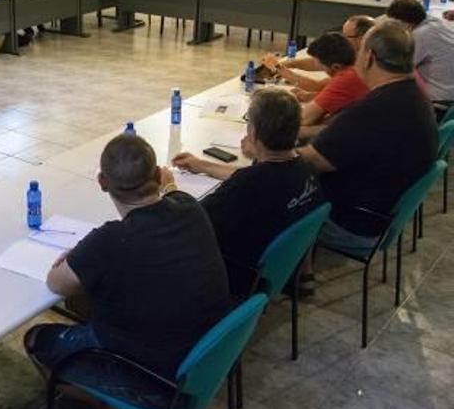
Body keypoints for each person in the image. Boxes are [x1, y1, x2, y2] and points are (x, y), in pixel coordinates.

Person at [24, 134, 230, 409]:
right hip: (205, 351)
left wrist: (79, 253)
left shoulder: (110, 240)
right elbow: (171, 194)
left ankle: (107, 401)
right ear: (158, 175)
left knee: (37, 338)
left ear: (102, 183)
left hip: (154, 378)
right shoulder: (190, 206)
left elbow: (56, 284)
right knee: (87, 298)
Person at [297, 21, 437, 253]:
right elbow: (348, 137)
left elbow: (310, 162)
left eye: (358, 50)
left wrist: (264, 150)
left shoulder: (374, 109)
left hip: (350, 224)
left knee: (267, 194)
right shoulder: (412, 95)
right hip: (381, 215)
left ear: (369, 56)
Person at [173, 88, 322, 295]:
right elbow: (262, 174)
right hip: (280, 267)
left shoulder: (249, 185)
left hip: (237, 276)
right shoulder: (306, 170)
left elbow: (190, 219)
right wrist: (202, 165)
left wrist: (169, 188)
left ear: (252, 132)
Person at [263, 15, 375, 93]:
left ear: (362, 39)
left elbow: (318, 86)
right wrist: (287, 64)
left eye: (346, 36)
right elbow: (319, 61)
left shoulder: (363, 65)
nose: (341, 39)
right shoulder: (358, 52)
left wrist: (279, 68)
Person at [385, 0, 454, 119]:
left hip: (440, 102)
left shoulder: (420, 35)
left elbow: (400, 67)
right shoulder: (436, 23)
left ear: (406, 22)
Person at [294, 33, 369, 140]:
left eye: (321, 67)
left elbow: (305, 119)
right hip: (362, 129)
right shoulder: (356, 68)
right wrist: (311, 97)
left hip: (357, 137)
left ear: (336, 67)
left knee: (289, 131)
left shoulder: (346, 79)